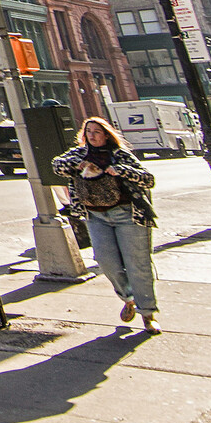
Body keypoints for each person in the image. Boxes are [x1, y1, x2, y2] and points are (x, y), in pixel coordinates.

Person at [52, 117, 160, 333]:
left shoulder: (119, 155)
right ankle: (128, 297)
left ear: (106, 135)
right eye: (88, 131)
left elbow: (148, 179)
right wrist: (77, 165)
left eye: (97, 132)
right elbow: (56, 166)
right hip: (96, 216)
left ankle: (147, 313)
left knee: (137, 263)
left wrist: (120, 170)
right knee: (105, 260)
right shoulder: (78, 154)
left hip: (127, 214)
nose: (92, 135)